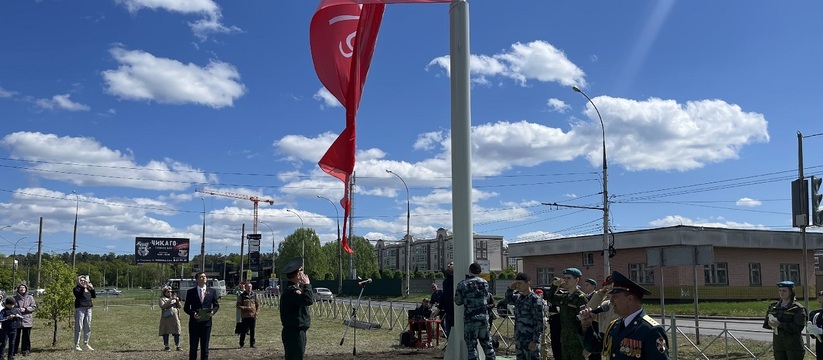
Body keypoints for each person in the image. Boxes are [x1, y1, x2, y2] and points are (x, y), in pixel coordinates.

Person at [579, 271, 669, 360]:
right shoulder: (614, 325)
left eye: (615, 296)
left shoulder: (651, 330)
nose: (611, 300)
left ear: (629, 299)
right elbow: (596, 346)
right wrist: (586, 326)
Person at [454, 262, 495, 360]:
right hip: (484, 319)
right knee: (488, 346)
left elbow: (458, 301)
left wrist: (466, 300)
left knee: (472, 348)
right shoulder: (485, 283)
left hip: (470, 320)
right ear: (480, 271)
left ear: (469, 271)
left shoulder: (462, 284)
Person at [543, 268, 587, 360]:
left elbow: (585, 321)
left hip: (577, 341)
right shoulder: (564, 297)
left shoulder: (581, 298)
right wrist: (554, 286)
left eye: (568, 278)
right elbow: (550, 298)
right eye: (565, 278)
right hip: (564, 339)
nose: (565, 280)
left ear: (576, 280)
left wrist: (586, 344)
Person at [279, 257, 314, 360]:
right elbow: (308, 300)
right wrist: (307, 285)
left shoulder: (292, 290)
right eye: (301, 271)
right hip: (295, 333)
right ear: (298, 274)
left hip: (294, 332)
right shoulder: (292, 291)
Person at [505, 273, 544, 360]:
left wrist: (535, 340)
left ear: (528, 283)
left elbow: (539, 322)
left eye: (520, 283)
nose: (518, 286)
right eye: (517, 283)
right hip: (519, 339)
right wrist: (510, 289)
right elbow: (508, 300)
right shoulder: (519, 298)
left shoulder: (535, 299)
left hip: (530, 339)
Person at [763, 281, 805, 360]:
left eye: (784, 291)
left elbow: (798, 327)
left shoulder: (797, 308)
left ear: (791, 292)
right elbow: (766, 324)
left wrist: (780, 324)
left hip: (793, 347)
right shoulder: (773, 307)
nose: (782, 293)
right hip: (778, 346)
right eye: (780, 290)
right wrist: (770, 323)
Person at [184, 272, 220, 360]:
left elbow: (216, 305)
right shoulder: (191, 292)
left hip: (206, 323)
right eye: (201, 277)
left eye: (204, 276)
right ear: (197, 279)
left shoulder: (212, 291)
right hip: (194, 323)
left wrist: (213, 312)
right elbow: (186, 307)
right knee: (193, 347)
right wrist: (193, 314)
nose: (203, 278)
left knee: (205, 347)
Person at [582, 276, 617, 360]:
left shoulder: (621, 307)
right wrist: (600, 294)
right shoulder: (606, 304)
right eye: (608, 289)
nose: (610, 293)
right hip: (603, 345)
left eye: (612, 289)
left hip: (615, 345)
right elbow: (589, 310)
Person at [72, 275, 96, 351]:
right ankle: (77, 345)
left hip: (88, 308)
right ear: (78, 281)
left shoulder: (88, 288)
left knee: (87, 326)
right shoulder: (77, 289)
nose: (83, 281)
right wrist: (83, 287)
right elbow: (78, 295)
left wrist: (92, 288)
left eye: (84, 280)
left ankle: (86, 343)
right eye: (81, 280)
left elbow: (94, 296)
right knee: (79, 327)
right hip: (80, 308)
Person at [12, 284, 36, 357]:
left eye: (23, 288)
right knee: (16, 337)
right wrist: (17, 310)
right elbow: (11, 308)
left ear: (26, 289)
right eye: (20, 288)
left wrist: (26, 309)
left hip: (27, 320)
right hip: (17, 320)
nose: (22, 289)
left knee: (26, 336)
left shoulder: (30, 297)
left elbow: (34, 307)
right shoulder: (14, 298)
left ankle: (25, 350)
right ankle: (14, 351)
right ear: (18, 289)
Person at [236, 282, 260, 348]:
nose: (249, 288)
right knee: (243, 330)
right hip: (245, 316)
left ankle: (252, 344)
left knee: (252, 330)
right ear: (245, 287)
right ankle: (241, 343)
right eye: (248, 287)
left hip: (253, 316)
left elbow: (257, 305)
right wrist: (246, 308)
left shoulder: (254, 295)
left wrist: (256, 313)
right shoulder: (242, 296)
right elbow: (238, 305)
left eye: (250, 287)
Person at [159, 285, 182, 351]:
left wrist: (177, 300)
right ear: (164, 292)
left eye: (171, 292)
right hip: (166, 318)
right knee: (165, 331)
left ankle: (178, 346)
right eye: (168, 292)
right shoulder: (162, 299)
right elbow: (163, 306)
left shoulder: (174, 298)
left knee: (176, 331)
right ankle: (166, 346)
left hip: (175, 318)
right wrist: (170, 300)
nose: (170, 293)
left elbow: (180, 306)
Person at [440, 261, 455, 337]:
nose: (448, 266)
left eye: (451, 264)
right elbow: (444, 295)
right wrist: (439, 308)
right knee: (449, 334)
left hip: (458, 312)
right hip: (449, 313)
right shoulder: (446, 282)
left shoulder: (459, 280)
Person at [807, 290, 823, 360]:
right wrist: (812, 330)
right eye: (820, 302)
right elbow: (813, 336)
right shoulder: (817, 315)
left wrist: (821, 331)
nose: (822, 305)